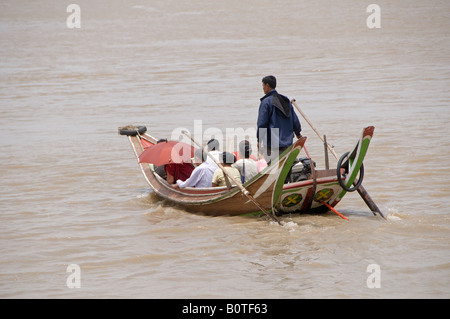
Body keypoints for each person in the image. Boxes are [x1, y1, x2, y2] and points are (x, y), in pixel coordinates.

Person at [257, 75, 302, 163]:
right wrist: (298, 133)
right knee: (286, 168)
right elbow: (295, 120)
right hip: (287, 142)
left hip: (272, 144)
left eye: (263, 85)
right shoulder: (285, 100)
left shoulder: (266, 102)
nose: (262, 88)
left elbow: (262, 123)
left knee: (274, 169)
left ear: (267, 85)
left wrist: (259, 140)